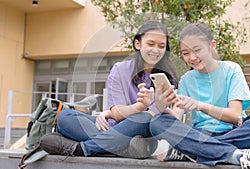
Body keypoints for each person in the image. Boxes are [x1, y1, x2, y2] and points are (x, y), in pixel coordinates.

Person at [137, 23, 250, 169]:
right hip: (199, 134)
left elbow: (235, 116)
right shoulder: (187, 79)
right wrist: (162, 106)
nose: (192, 57)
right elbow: (175, 119)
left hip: (234, 132)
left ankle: (191, 151)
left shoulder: (231, 70)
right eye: (185, 53)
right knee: (158, 122)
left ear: (212, 46)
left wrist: (200, 106)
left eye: (197, 50)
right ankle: (236, 155)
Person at [39, 20, 178, 158]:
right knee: (65, 117)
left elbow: (154, 119)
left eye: (161, 46)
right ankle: (122, 149)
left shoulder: (167, 78)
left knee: (144, 117)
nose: (156, 50)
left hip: (142, 133)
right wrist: (140, 105)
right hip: (114, 129)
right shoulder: (120, 69)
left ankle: (82, 149)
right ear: (137, 44)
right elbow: (117, 114)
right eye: (150, 44)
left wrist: (149, 109)